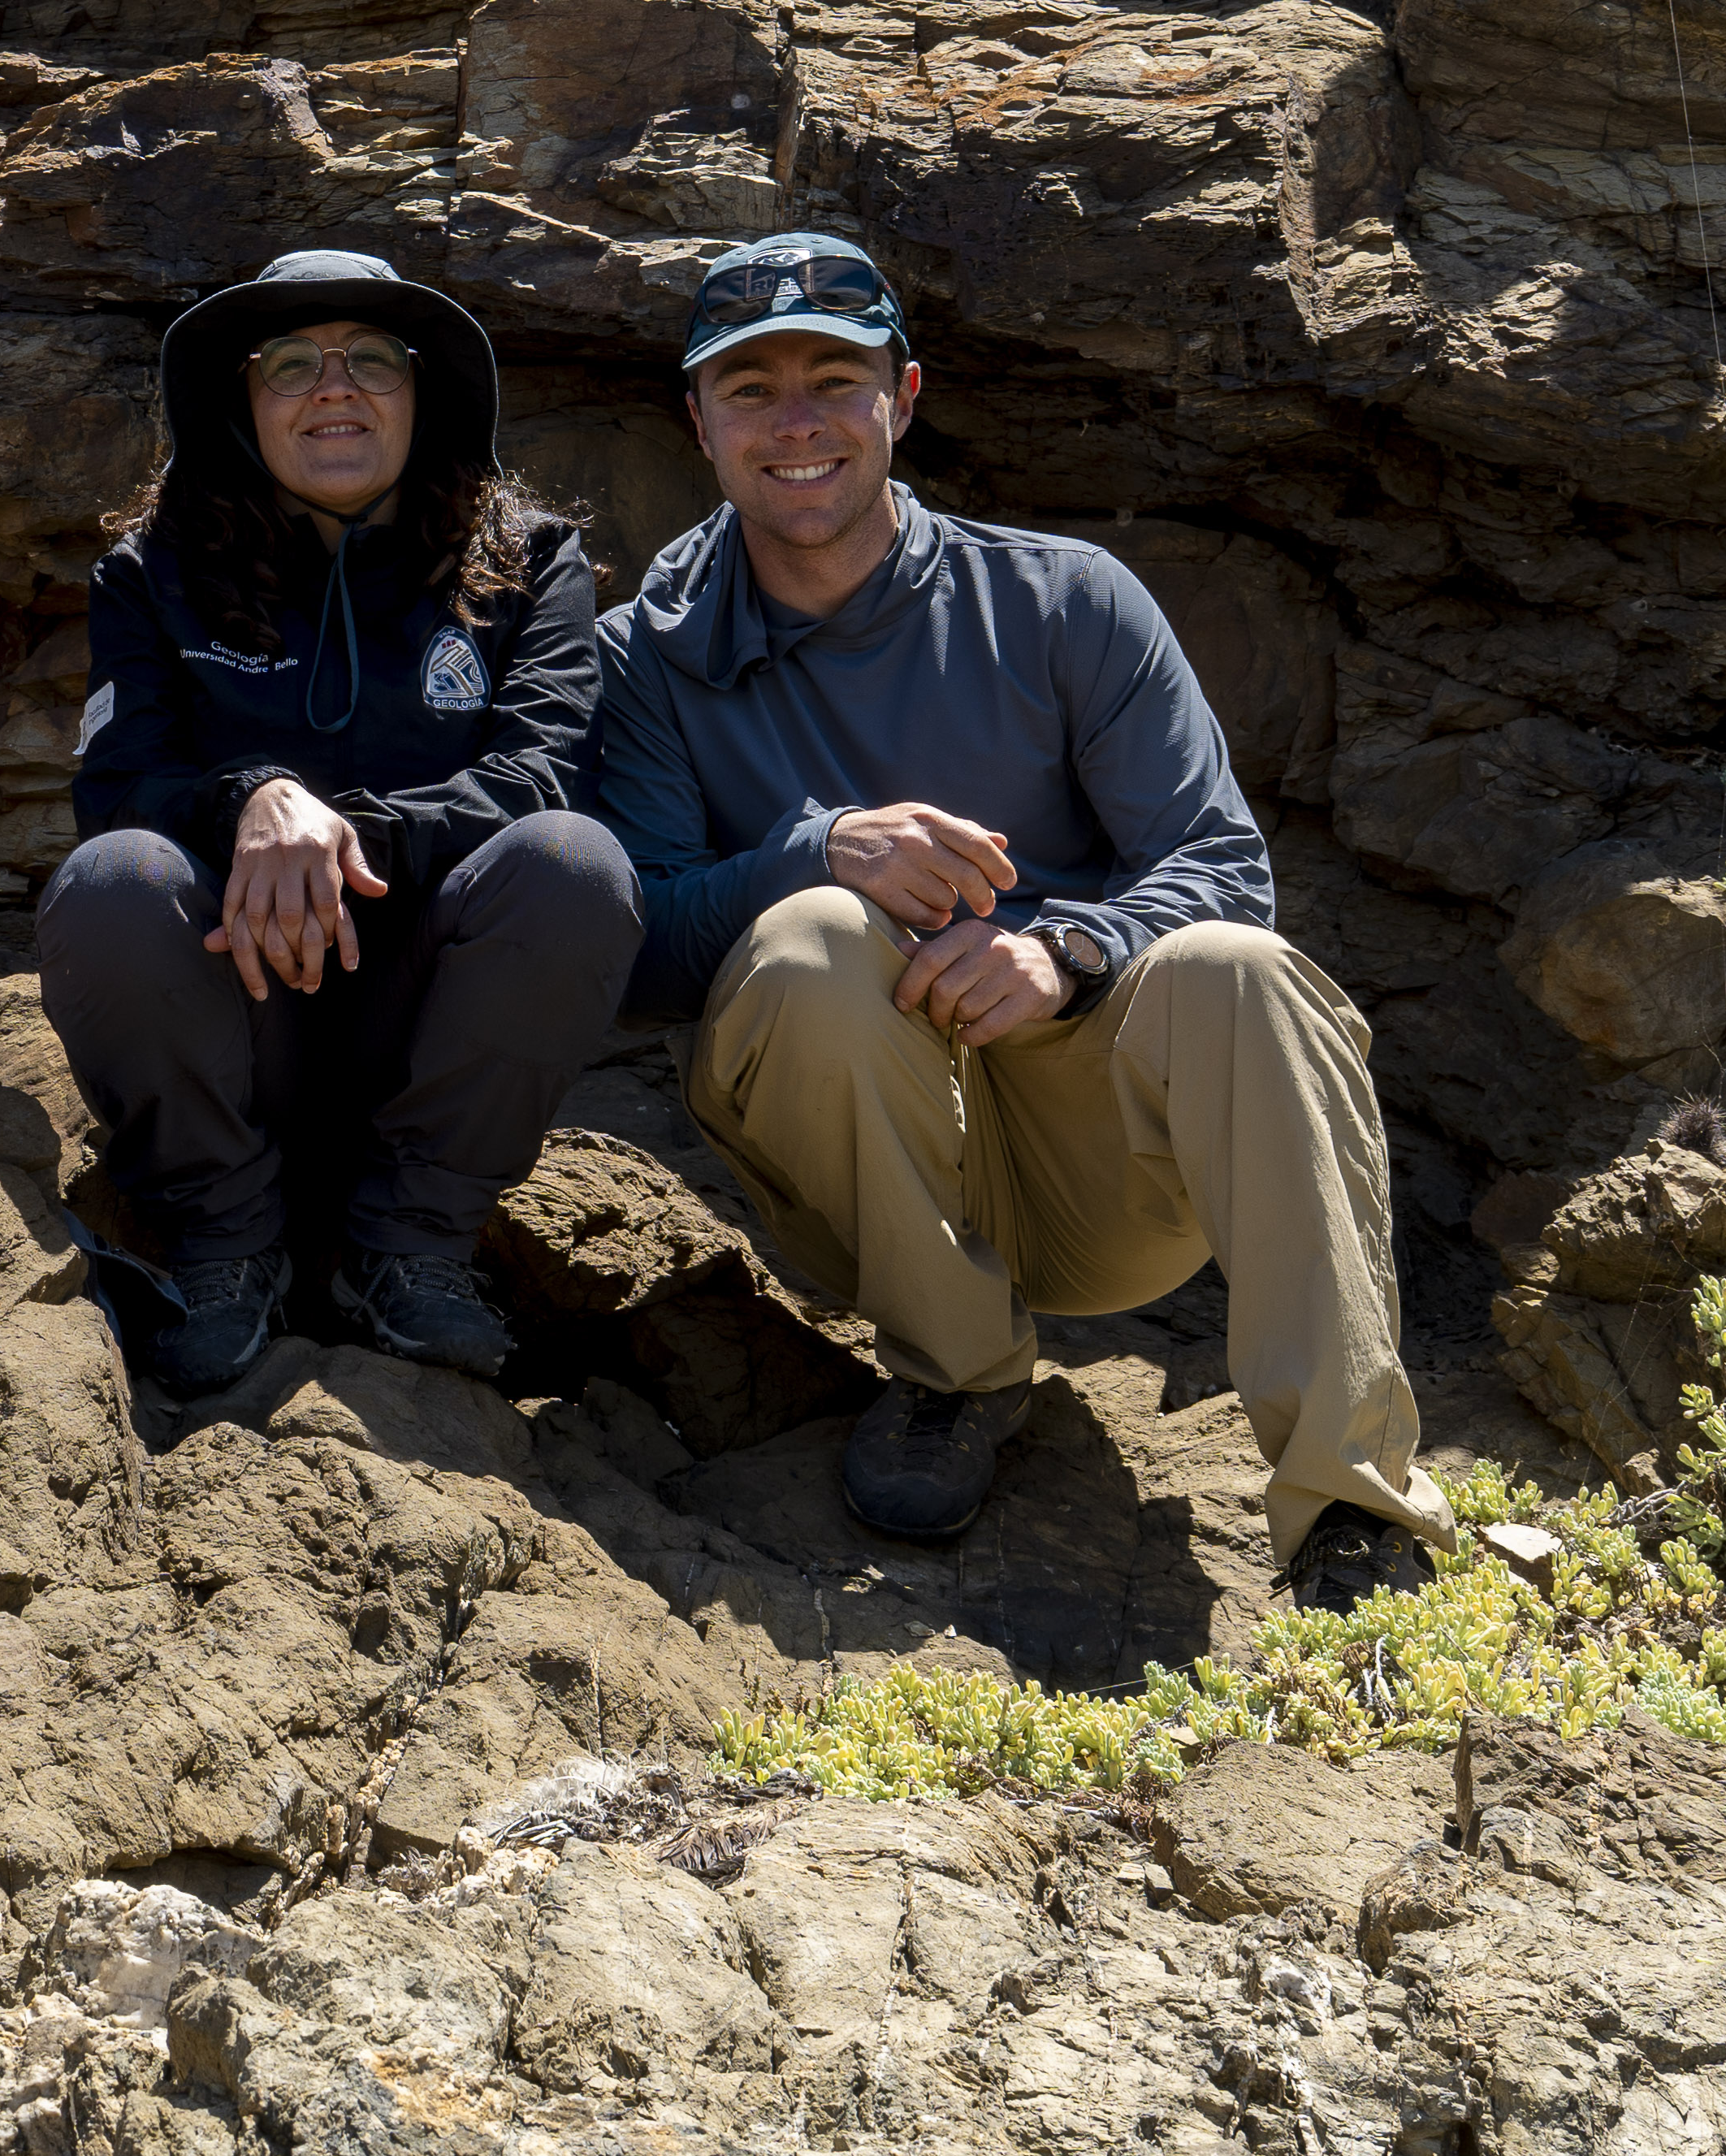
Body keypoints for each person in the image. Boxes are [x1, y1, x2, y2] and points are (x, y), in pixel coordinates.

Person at [585, 232, 1458, 1582]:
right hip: (861, 1187)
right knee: (812, 935)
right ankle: (957, 1378)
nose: (797, 421)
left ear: (905, 396)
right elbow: (635, 944)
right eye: (749, 389)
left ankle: (1351, 1509)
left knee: (1244, 967)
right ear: (693, 422)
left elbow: (1221, 861)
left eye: (835, 377)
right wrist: (816, 851)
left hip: (1096, 1169)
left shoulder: (1064, 601)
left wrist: (1066, 948)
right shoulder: (644, 656)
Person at [43, 250, 641, 1398]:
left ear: (425, 394)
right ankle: (224, 1248)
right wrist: (254, 800)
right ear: (242, 398)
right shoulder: (151, 570)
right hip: (237, 1008)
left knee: (575, 865)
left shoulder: (532, 563)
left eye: (374, 361)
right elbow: (118, 787)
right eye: (291, 366)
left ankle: (408, 1252)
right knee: (113, 879)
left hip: (425, 1017)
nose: (335, 390)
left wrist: (336, 840)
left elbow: (547, 775)